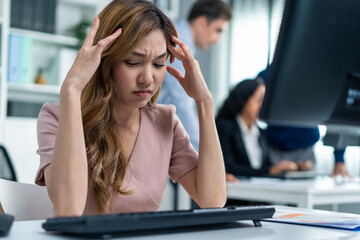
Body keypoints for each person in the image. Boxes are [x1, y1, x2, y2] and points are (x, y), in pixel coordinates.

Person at [35, 0, 226, 216]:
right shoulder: (56, 117)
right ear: (104, 60)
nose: (147, 79)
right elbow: (68, 211)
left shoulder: (166, 123)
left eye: (158, 64)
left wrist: (204, 102)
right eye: (133, 62)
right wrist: (71, 89)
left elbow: (213, 200)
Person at [158, 0, 232, 151]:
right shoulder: (179, 43)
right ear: (201, 22)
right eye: (218, 30)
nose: (217, 40)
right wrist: (204, 152)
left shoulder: (179, 39)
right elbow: (182, 103)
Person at [258, 69, 351, 177]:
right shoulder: (267, 76)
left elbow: (336, 113)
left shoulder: (318, 74)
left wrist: (339, 158)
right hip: (275, 153)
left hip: (306, 154)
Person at [216, 78, 298, 182]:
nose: (261, 106)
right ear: (244, 99)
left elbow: (266, 166)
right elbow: (229, 168)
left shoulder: (261, 132)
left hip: (259, 191)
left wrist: (294, 166)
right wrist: (269, 170)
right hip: (237, 193)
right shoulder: (225, 127)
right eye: (259, 100)